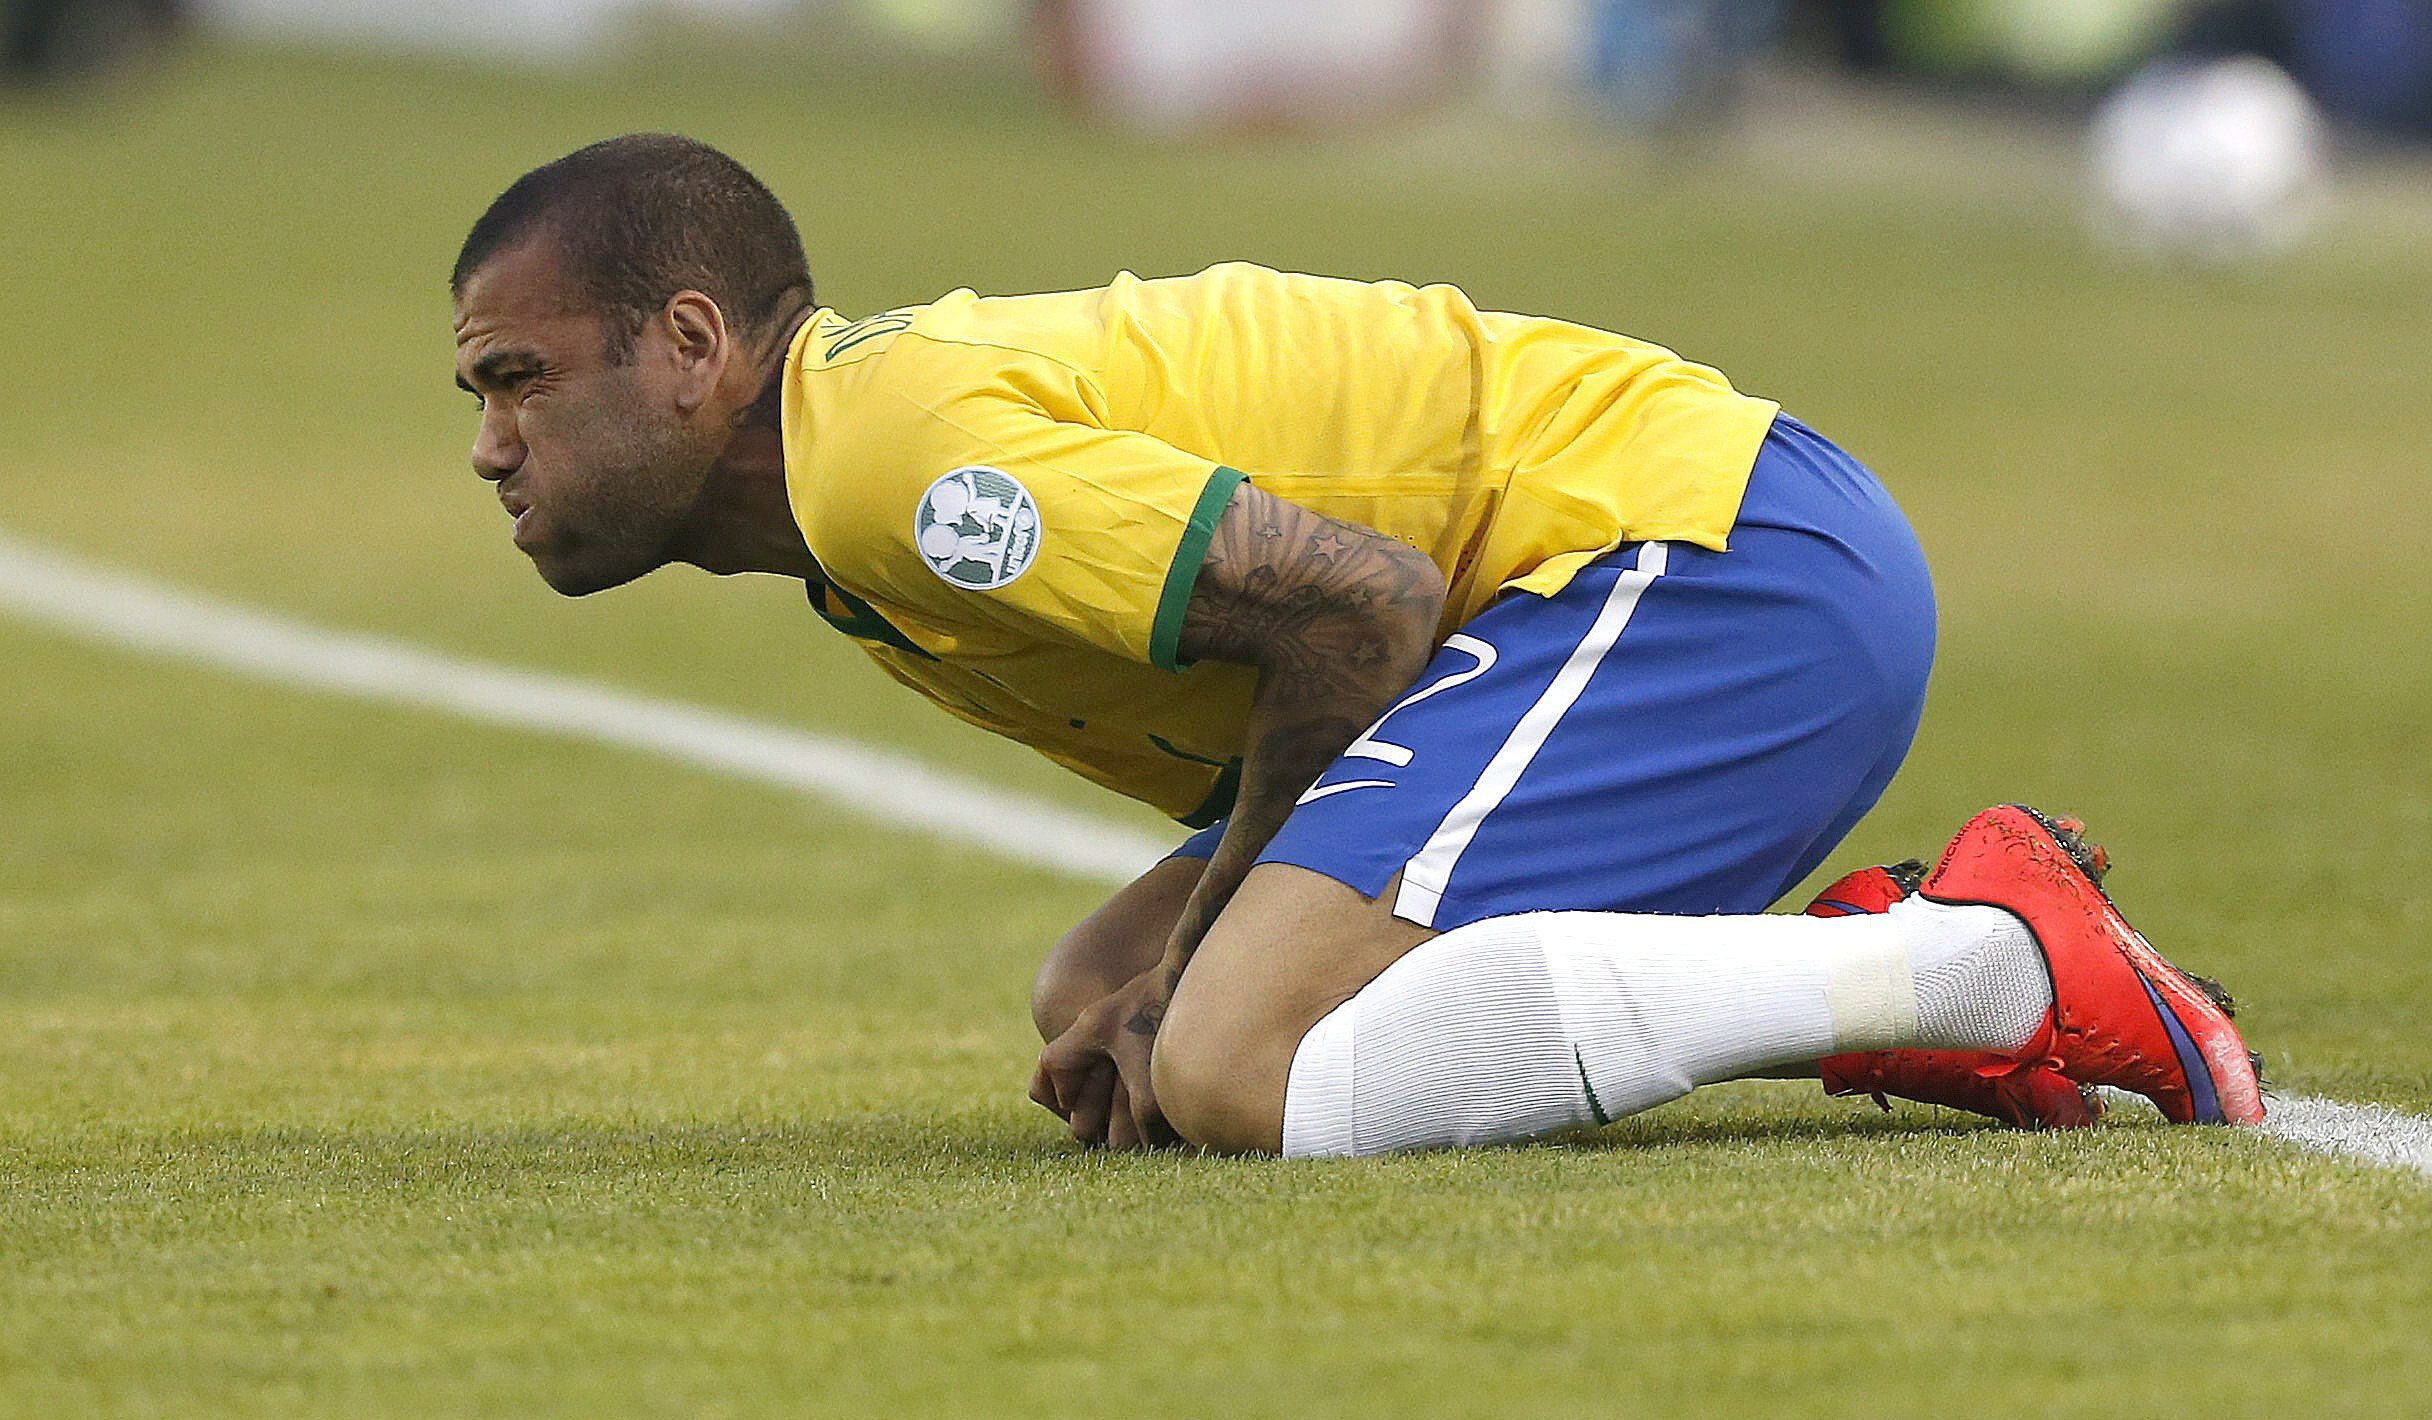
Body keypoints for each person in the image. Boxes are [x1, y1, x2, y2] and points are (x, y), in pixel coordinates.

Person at [447, 133, 2265, 1156]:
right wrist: (1168, 964)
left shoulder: (893, 472)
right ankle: (1871, 970)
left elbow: (1361, 606)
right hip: (1625, 584)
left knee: (1231, 1057)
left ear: (695, 347)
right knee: (1095, 986)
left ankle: (1982, 966)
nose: (491, 448)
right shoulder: (856, 494)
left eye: (518, 379)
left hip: (1712, 560)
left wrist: (1210, 962)